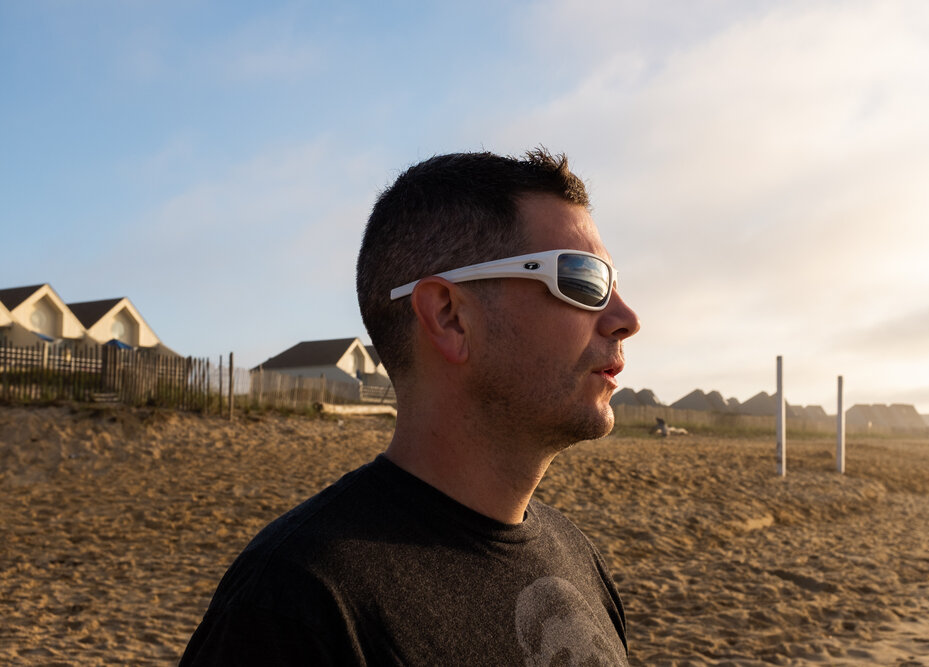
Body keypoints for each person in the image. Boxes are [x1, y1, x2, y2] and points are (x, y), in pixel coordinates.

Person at [179, 149, 641, 665]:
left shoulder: (575, 555)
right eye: (583, 279)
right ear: (449, 317)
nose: (626, 317)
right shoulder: (298, 606)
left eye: (615, 284)